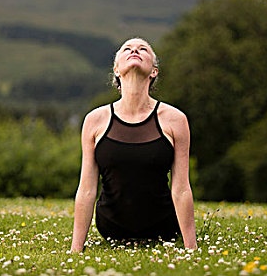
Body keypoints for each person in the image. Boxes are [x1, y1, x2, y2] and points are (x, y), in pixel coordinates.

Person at [70, 37, 197, 251]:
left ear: (154, 71)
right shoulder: (95, 120)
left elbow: (181, 188)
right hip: (111, 228)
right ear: (117, 70)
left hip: (164, 227)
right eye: (127, 49)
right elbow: (87, 189)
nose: (134, 50)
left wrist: (191, 248)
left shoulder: (175, 119)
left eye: (143, 49)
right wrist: (75, 249)